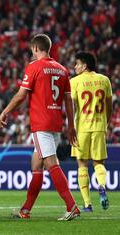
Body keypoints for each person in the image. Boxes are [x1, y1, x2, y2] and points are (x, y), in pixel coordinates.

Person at [0, 34, 80, 221]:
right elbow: (68, 99)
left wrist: (5, 111)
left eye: (32, 51)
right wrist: (71, 126)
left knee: (52, 163)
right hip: (56, 124)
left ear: (35, 48)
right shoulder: (62, 69)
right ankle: (25, 210)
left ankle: (71, 206)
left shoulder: (34, 67)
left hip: (41, 124)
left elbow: (20, 95)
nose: (32, 54)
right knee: (37, 164)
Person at [70, 51, 112, 212]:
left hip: (81, 128)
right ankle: (101, 186)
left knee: (82, 164)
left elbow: (72, 107)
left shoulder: (74, 82)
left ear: (84, 66)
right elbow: (109, 107)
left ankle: (87, 204)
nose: (75, 67)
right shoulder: (104, 80)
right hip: (99, 127)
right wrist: (105, 124)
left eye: (77, 64)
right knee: (99, 163)